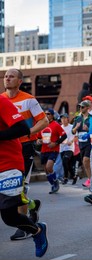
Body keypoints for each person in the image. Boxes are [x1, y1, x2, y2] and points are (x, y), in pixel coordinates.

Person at [1, 68, 49, 241]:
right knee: (13, 190)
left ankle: (23, 227)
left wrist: (27, 133)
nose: (7, 79)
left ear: (20, 81)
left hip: (23, 148)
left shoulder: (28, 100)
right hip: (5, 148)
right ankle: (33, 205)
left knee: (20, 186)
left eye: (11, 76)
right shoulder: (2, 99)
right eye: (6, 76)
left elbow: (44, 121)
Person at [37, 109, 67, 194]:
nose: (46, 115)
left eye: (48, 114)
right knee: (46, 170)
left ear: (52, 115)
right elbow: (38, 137)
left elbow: (64, 136)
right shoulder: (42, 125)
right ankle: (53, 184)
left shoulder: (56, 125)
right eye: (45, 114)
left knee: (49, 167)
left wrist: (55, 143)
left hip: (53, 149)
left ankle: (55, 182)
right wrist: (38, 141)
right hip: (44, 150)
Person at [72, 100, 92, 188]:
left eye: (82, 107)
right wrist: (76, 128)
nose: (81, 108)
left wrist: (88, 129)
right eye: (80, 107)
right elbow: (72, 132)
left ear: (88, 108)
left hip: (89, 142)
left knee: (86, 160)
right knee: (86, 163)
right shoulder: (77, 118)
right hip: (81, 143)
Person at [60, 113, 76, 185]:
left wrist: (72, 141)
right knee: (67, 164)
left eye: (64, 118)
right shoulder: (60, 127)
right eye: (62, 118)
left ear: (67, 119)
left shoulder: (72, 127)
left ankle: (65, 178)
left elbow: (76, 136)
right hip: (62, 148)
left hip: (69, 148)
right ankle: (74, 176)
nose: (63, 120)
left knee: (65, 161)